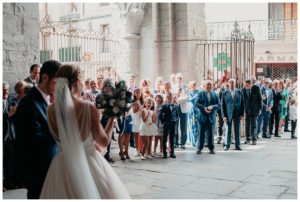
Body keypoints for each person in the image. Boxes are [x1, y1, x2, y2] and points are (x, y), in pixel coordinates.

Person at [39, 64, 130, 199]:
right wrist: (112, 117)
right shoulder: (87, 107)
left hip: (62, 166)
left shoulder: (50, 110)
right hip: (89, 162)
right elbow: (103, 141)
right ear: (76, 83)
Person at [15, 60, 61, 199]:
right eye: (56, 82)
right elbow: (32, 140)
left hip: (51, 168)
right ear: (45, 77)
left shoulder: (48, 100)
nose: (58, 87)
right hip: (37, 171)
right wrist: (61, 130)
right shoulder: (28, 103)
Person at [195, 80, 220, 154]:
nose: (209, 86)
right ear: (204, 86)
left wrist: (212, 106)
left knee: (211, 134)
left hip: (211, 117)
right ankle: (199, 148)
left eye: (210, 85)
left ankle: (211, 148)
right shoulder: (200, 93)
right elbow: (196, 104)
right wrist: (204, 108)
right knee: (201, 133)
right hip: (202, 117)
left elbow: (219, 105)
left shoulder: (215, 94)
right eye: (207, 85)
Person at [3, 81, 18, 191]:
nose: (5, 92)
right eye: (3, 90)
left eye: (7, 90)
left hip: (8, 135)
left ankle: (9, 182)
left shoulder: (8, 101)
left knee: (9, 159)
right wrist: (8, 114)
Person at [221, 79, 244, 151]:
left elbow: (242, 103)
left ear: (235, 83)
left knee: (237, 130)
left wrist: (241, 114)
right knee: (228, 130)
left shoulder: (239, 92)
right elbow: (223, 105)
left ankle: (238, 145)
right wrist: (224, 116)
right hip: (228, 114)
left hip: (237, 114)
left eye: (233, 83)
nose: (232, 84)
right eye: (230, 83)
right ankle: (226, 145)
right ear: (228, 84)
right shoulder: (225, 93)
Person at [159, 92, 179, 159]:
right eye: (168, 98)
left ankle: (172, 152)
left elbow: (177, 115)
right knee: (164, 138)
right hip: (166, 124)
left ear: (172, 98)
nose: (170, 99)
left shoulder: (176, 106)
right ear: (166, 98)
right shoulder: (164, 106)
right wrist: (163, 121)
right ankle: (164, 153)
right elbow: (160, 115)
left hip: (173, 123)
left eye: (171, 98)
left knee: (172, 138)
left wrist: (175, 120)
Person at [242, 79, 262, 145]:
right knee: (247, 125)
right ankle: (248, 139)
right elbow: (243, 101)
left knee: (253, 125)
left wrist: (260, 109)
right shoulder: (243, 89)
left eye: (247, 85)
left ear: (250, 84)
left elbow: (260, 99)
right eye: (245, 85)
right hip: (247, 110)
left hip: (255, 109)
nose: (246, 86)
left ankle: (254, 139)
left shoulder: (256, 88)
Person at [187, 81, 200, 147]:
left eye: (195, 85)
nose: (195, 86)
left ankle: (197, 141)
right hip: (190, 110)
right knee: (191, 125)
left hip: (196, 110)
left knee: (197, 126)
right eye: (193, 85)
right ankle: (192, 141)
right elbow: (188, 100)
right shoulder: (189, 93)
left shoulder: (198, 92)